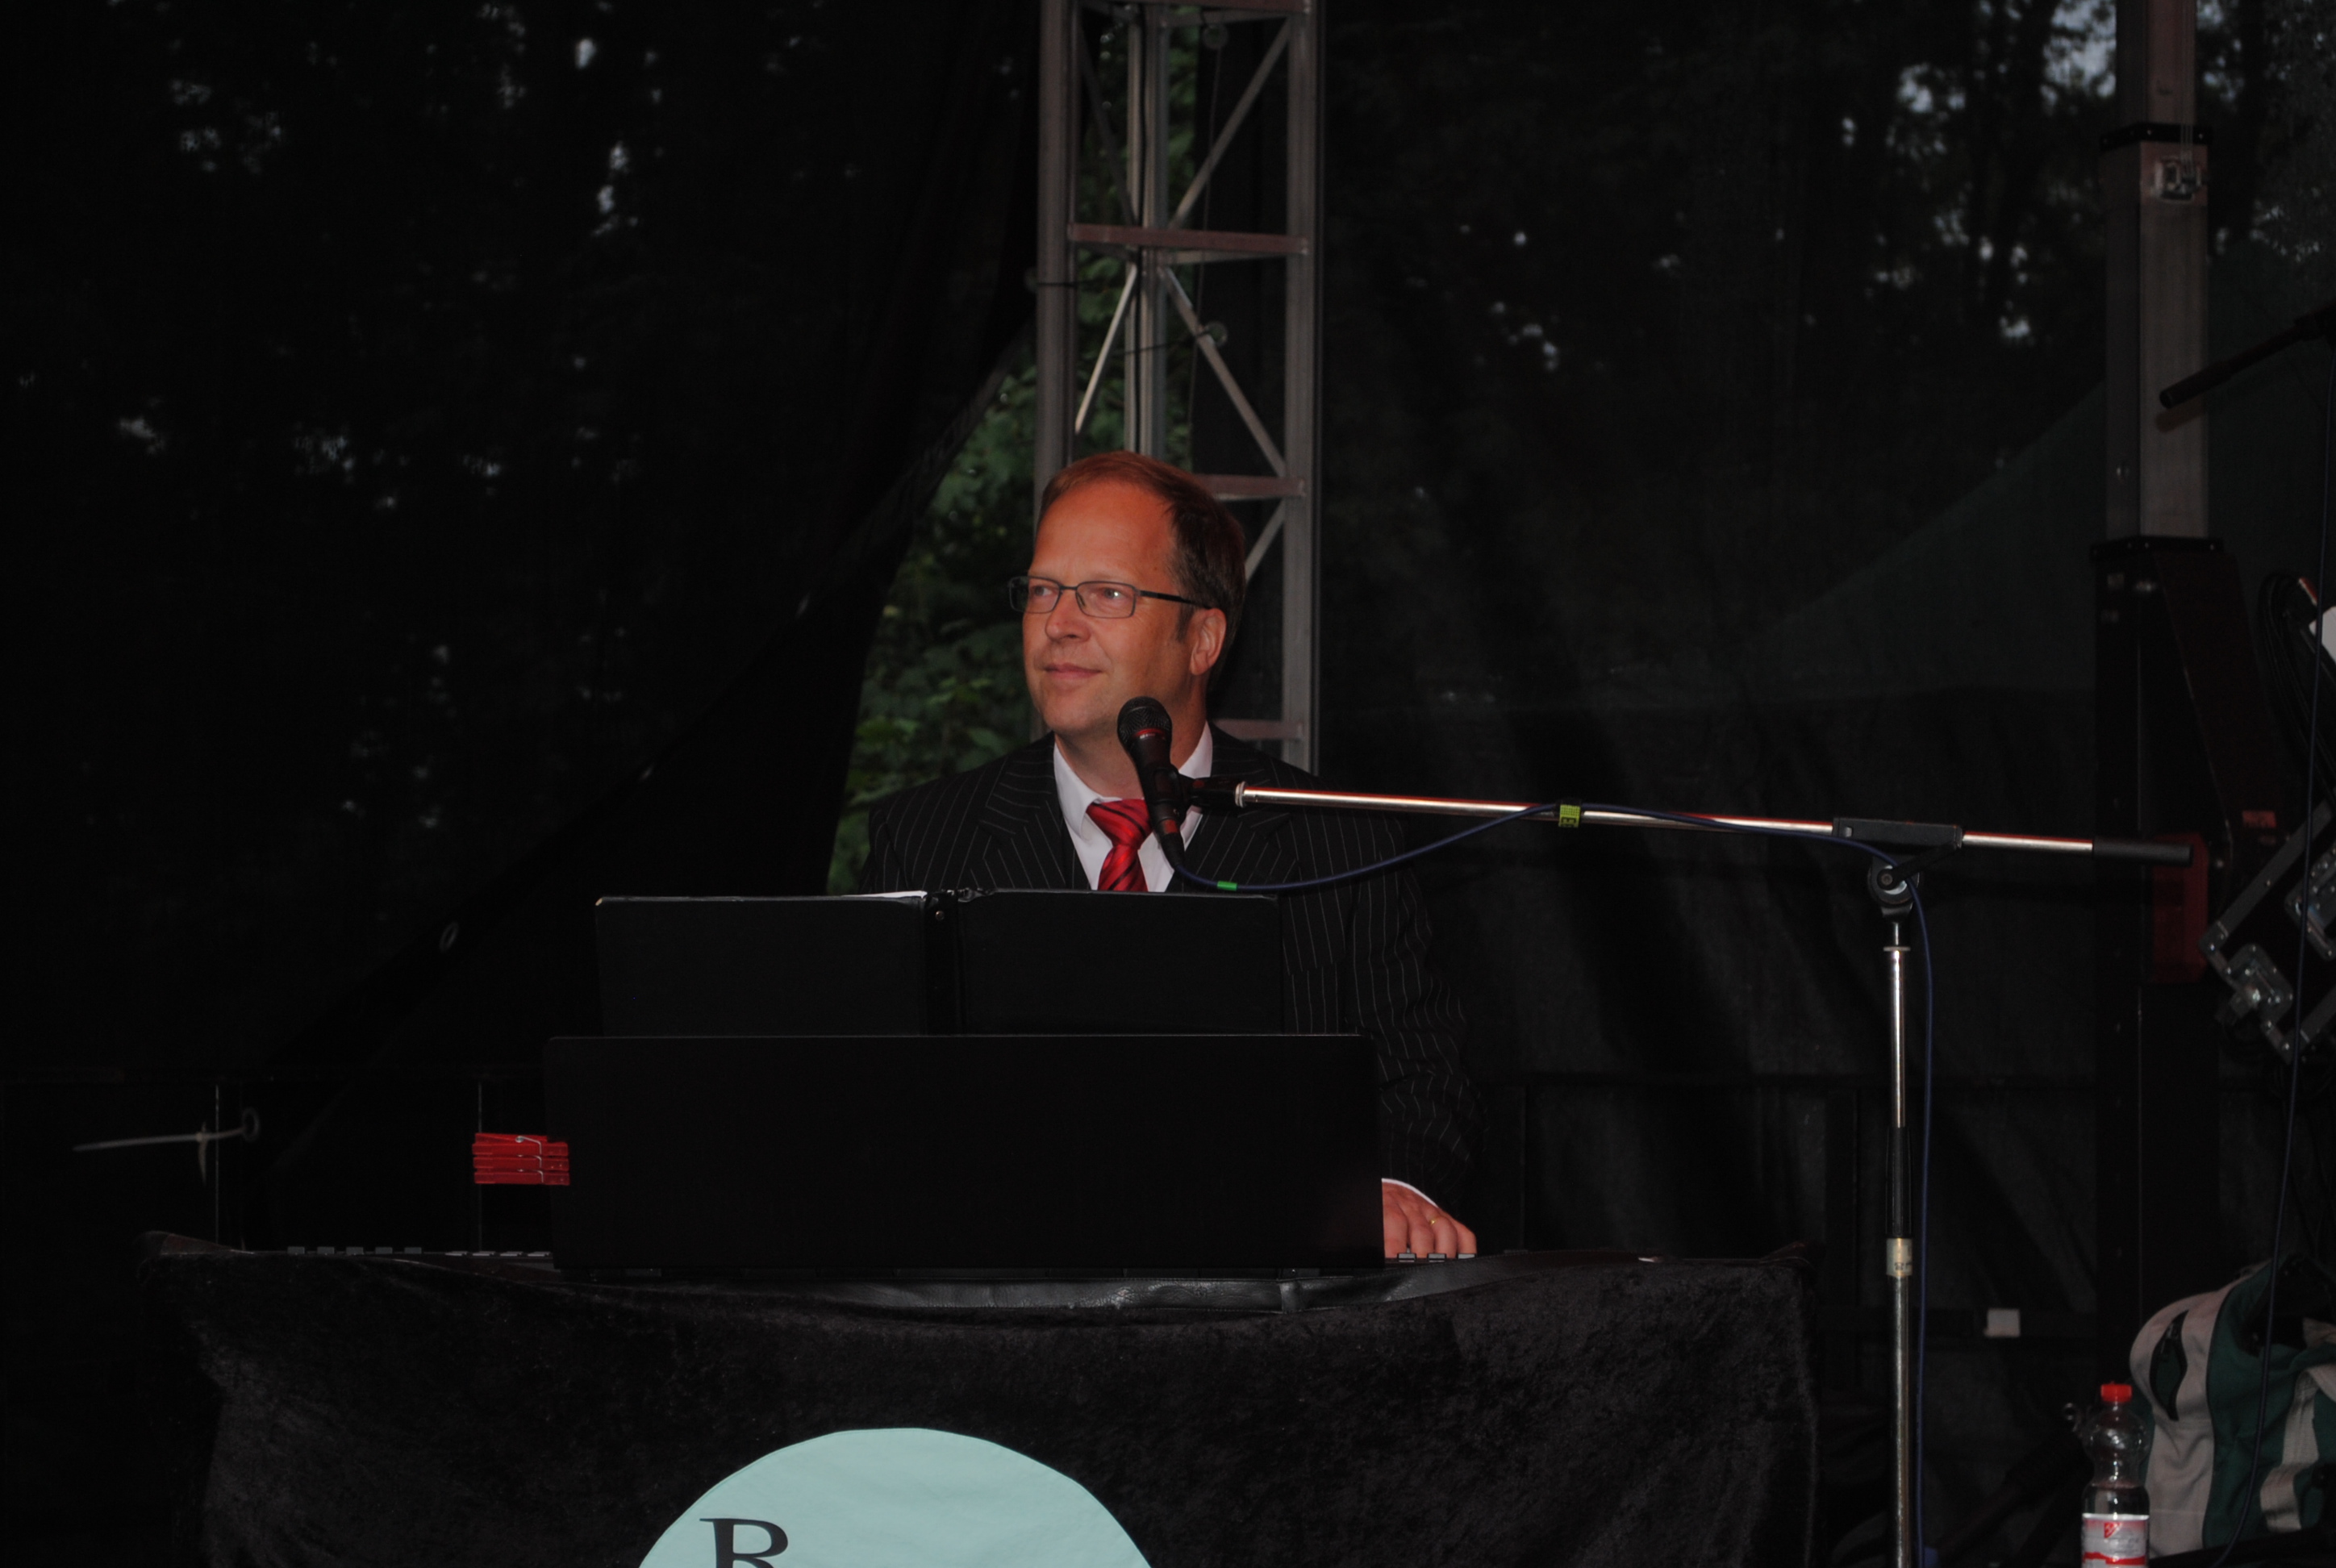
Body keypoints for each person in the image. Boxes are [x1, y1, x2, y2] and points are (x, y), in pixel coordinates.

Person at [861, 451, 1483, 1260]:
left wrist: (1394, 1188)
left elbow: (1422, 1078)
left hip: (1263, 1303)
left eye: (1106, 594)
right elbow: (869, 1106)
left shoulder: (1340, 840)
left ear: (1203, 638)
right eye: (1044, 590)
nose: (1059, 623)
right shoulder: (923, 839)